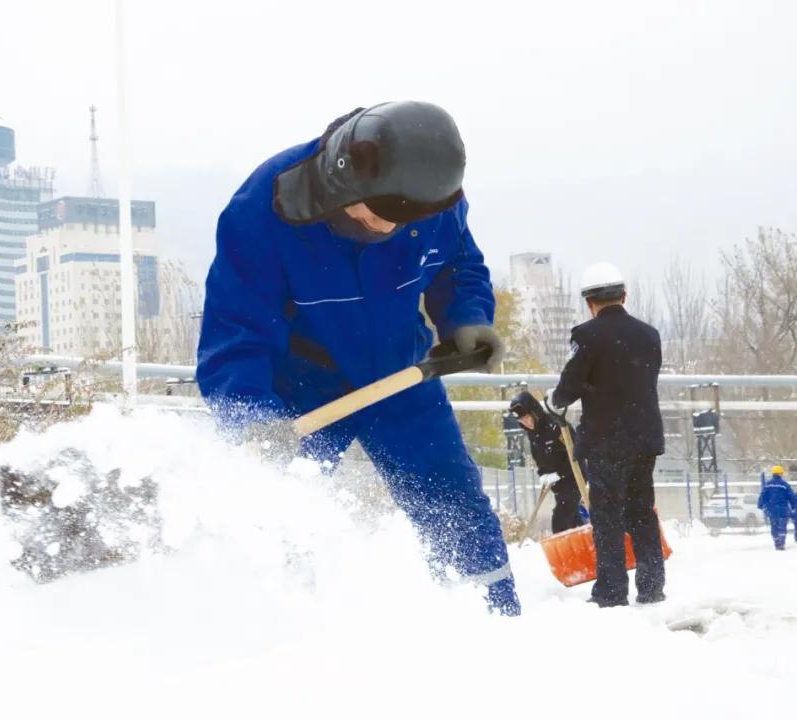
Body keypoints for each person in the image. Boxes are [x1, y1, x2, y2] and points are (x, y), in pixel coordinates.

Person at [196, 101, 520, 615]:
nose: (389, 230)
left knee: (454, 505)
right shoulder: (265, 207)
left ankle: (493, 620)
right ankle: (280, 630)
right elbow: (236, 332)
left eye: (403, 222)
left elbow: (458, 264)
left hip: (399, 372)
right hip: (299, 388)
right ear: (345, 185)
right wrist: (252, 417)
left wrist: (467, 319)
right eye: (377, 216)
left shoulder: (432, 198)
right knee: (279, 517)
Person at [548, 262, 666, 607]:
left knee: (607, 515)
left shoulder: (586, 335)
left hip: (606, 441)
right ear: (624, 295)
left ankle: (611, 591)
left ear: (589, 302)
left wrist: (555, 402)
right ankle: (652, 585)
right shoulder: (650, 334)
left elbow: (569, 385)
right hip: (645, 437)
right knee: (642, 511)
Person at [508, 391, 584, 533]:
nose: (525, 423)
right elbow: (539, 459)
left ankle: (560, 550)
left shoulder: (556, 427)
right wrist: (543, 474)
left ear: (534, 412)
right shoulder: (533, 434)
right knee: (572, 519)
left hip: (574, 478)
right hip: (558, 483)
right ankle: (582, 544)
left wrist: (559, 473)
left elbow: (576, 455)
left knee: (561, 517)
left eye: (526, 417)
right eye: (521, 421)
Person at [758, 465, 795, 550]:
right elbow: (791, 496)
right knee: (782, 526)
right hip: (783, 509)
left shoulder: (768, 484)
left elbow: (763, 495)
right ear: (781, 473)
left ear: (773, 474)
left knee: (774, 525)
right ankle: (781, 543)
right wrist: (793, 505)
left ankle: (777, 542)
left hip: (772, 509)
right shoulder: (784, 484)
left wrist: (760, 504)